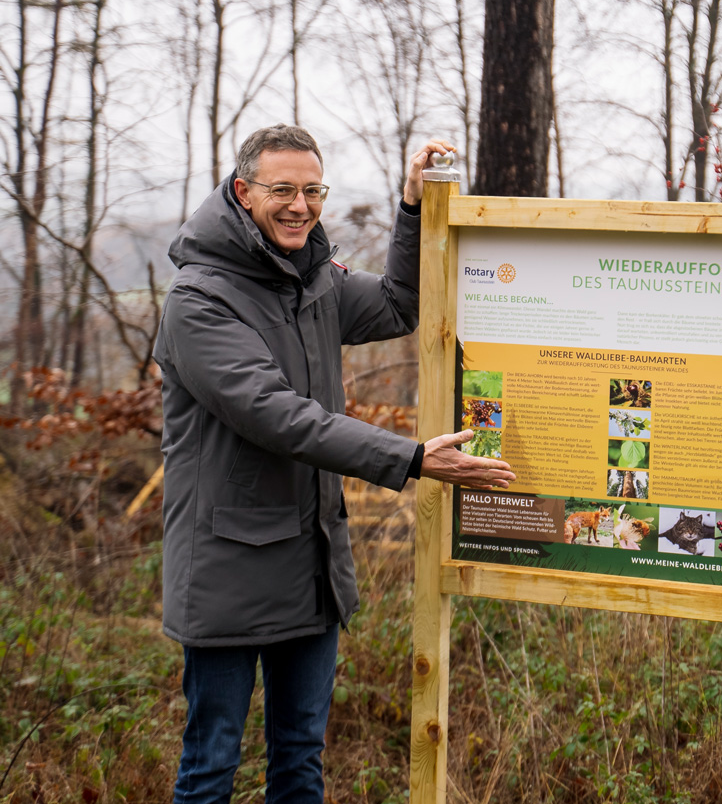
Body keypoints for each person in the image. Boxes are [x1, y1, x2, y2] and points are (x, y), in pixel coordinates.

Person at [153, 124, 515, 804]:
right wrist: (409, 458)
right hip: (227, 570)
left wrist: (410, 208)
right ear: (242, 192)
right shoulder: (200, 300)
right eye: (282, 190)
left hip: (310, 565)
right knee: (210, 768)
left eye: (312, 190)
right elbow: (273, 413)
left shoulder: (313, 282)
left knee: (300, 761)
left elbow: (399, 304)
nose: (300, 205)